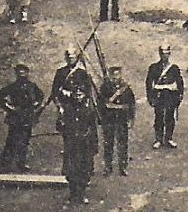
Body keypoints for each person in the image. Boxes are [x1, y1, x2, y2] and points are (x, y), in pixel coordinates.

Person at [57, 65, 99, 204]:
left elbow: (93, 129)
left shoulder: (89, 111)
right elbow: (59, 127)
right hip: (71, 144)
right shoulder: (67, 109)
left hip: (85, 144)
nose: (78, 96)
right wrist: (63, 123)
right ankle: (73, 194)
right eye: (76, 94)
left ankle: (81, 194)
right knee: (71, 170)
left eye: (81, 94)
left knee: (84, 170)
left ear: (85, 95)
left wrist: (94, 146)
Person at [0, 64, 46, 173]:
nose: (22, 75)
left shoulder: (32, 86)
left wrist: (36, 105)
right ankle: (6, 164)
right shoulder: (13, 86)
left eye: (24, 72)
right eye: (19, 73)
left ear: (27, 73)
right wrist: (8, 107)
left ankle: (21, 163)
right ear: (16, 74)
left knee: (25, 141)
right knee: (11, 140)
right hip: (15, 116)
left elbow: (40, 96)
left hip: (27, 116)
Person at [97, 65, 136, 175]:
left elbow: (131, 104)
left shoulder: (126, 88)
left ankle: (123, 167)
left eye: (117, 75)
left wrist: (131, 118)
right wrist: (102, 117)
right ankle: (107, 167)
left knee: (123, 144)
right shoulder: (105, 87)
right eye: (113, 76)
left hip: (121, 120)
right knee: (108, 144)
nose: (115, 78)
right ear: (110, 76)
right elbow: (101, 102)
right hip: (109, 120)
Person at [145, 44, 184, 149]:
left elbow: (180, 82)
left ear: (169, 54)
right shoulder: (154, 67)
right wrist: (150, 97)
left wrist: (180, 95)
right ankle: (158, 139)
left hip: (170, 95)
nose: (165, 56)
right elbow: (149, 83)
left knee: (170, 117)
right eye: (163, 54)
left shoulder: (174, 68)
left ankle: (169, 138)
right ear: (159, 54)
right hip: (159, 95)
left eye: (167, 54)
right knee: (159, 117)